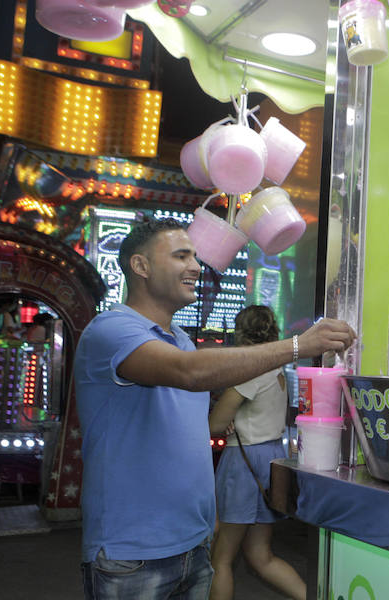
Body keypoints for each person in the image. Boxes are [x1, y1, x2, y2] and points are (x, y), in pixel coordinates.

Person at [74, 218, 355, 600]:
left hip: (193, 546)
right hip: (132, 554)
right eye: (180, 256)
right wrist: (295, 346)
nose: (195, 266)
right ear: (140, 266)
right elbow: (187, 373)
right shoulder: (111, 329)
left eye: (195, 255)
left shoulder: (182, 341)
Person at [207, 305, 305, 600]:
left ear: (240, 333)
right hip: (271, 459)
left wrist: (224, 421)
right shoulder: (278, 371)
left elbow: (214, 424)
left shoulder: (249, 370)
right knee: (261, 556)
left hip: (244, 463)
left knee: (221, 559)